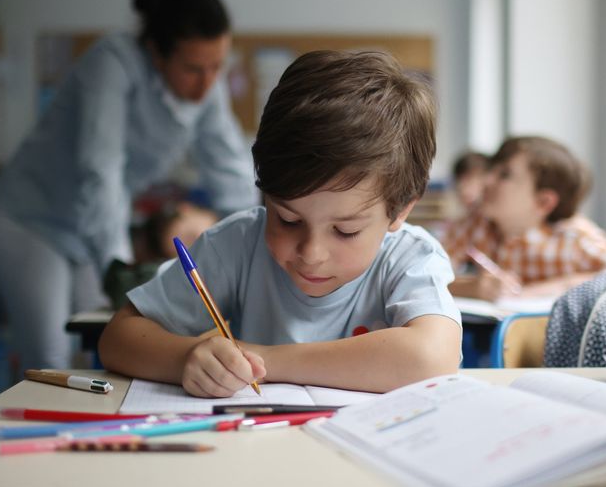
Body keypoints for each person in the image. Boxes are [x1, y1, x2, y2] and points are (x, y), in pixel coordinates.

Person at [99, 50, 462, 397]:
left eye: (345, 230)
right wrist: (184, 359)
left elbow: (431, 357)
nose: (311, 253)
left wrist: (262, 360)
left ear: (399, 212)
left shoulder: (410, 257)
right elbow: (118, 338)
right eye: (287, 219)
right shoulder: (236, 244)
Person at [0, 0, 258, 372]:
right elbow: (101, 171)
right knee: (49, 359)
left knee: (92, 352)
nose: (207, 83)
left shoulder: (206, 84)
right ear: (156, 52)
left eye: (217, 66)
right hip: (31, 221)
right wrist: (122, 270)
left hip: (83, 228)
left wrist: (249, 247)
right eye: (194, 68)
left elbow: (231, 170)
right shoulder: (110, 64)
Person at [444, 135, 606, 301]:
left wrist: (555, 287)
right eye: (492, 170)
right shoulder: (474, 224)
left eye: (504, 175)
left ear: (543, 202)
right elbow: (419, 277)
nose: (486, 181)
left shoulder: (572, 238)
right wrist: (470, 287)